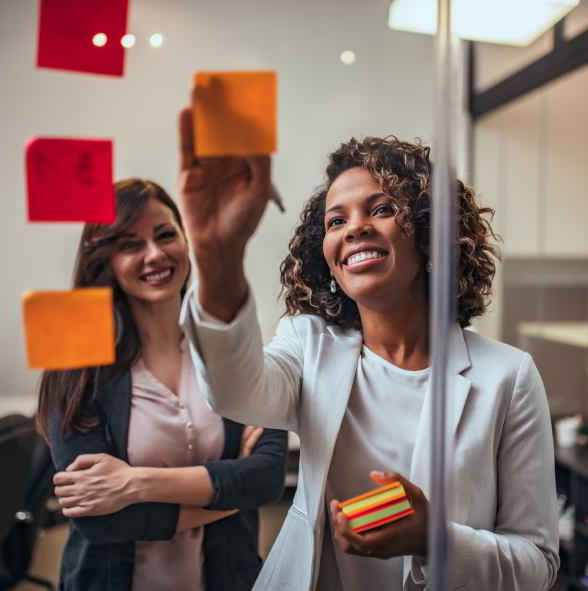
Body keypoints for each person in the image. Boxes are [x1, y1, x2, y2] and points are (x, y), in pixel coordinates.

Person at [176, 108, 559, 591]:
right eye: (336, 220)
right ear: (328, 258)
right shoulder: (308, 346)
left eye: (380, 209)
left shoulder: (509, 376)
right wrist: (218, 257)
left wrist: (432, 541)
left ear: (428, 231)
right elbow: (234, 393)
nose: (354, 228)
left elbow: (539, 563)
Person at [37, 179, 288, 591]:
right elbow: (101, 519)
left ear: (187, 240)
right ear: (106, 260)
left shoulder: (226, 343)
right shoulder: (74, 363)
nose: (154, 254)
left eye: (165, 234)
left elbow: (267, 476)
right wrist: (230, 496)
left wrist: (133, 484)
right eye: (129, 244)